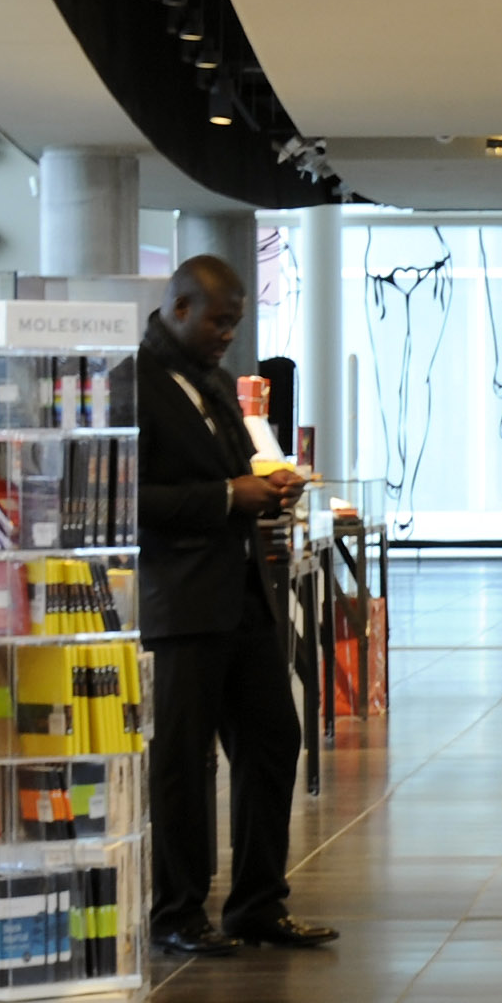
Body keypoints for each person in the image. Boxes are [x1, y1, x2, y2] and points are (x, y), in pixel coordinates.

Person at [136, 254, 335, 960]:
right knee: (183, 764)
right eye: (218, 322)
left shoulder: (215, 384)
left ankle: (256, 905)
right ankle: (177, 914)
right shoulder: (136, 384)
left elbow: (231, 476)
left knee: (274, 738)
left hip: (240, 593)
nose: (227, 335)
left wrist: (266, 488)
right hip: (182, 603)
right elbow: (126, 500)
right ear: (179, 308)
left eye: (235, 323)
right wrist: (228, 497)